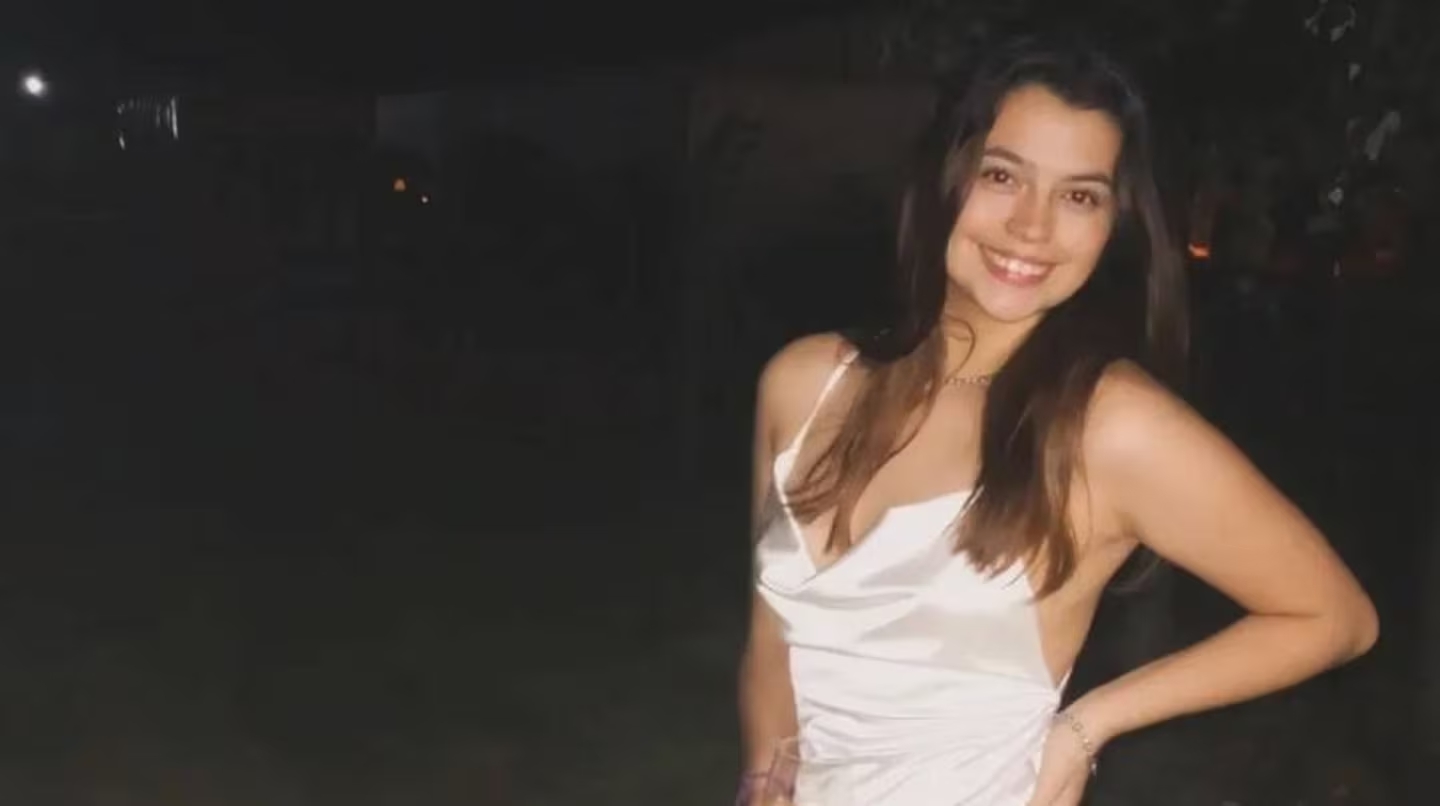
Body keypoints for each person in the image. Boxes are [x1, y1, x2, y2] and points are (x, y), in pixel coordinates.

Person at [736, 35, 1378, 806]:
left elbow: (1333, 616)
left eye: (1079, 196)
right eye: (1002, 175)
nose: (1032, 226)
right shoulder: (802, 383)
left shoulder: (1111, 428)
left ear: (1113, 225)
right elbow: (772, 637)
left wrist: (1089, 724)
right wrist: (762, 774)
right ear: (943, 176)